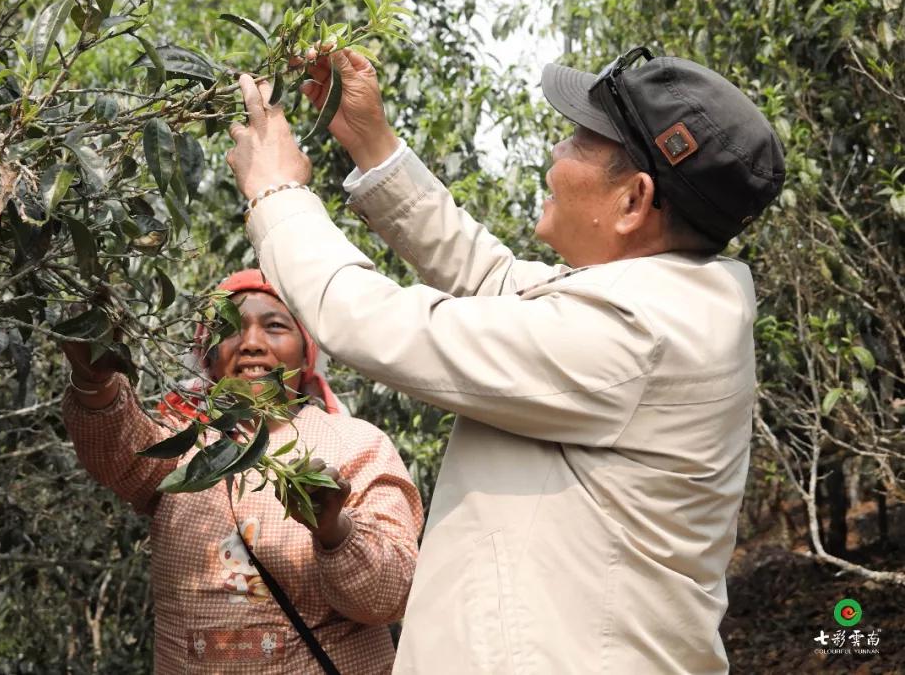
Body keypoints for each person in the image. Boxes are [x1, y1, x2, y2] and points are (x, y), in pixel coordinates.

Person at [224, 45, 785, 674]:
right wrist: (373, 145)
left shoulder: (634, 333)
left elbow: (375, 324)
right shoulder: (670, 303)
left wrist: (274, 192)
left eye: (580, 140)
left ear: (633, 201)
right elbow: (492, 278)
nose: (556, 152)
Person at [61, 269, 424, 674]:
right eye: (231, 329)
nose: (251, 344)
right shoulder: (180, 442)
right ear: (208, 356)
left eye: (274, 326)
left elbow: (389, 598)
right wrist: (94, 381)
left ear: (305, 352)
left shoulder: (357, 445)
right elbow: (119, 452)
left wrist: (333, 530)